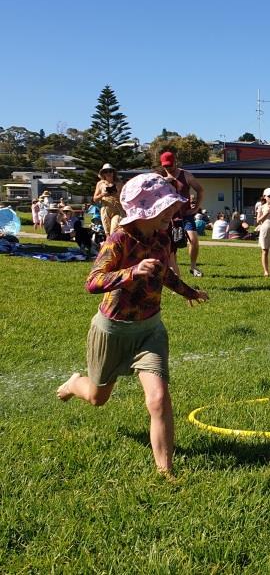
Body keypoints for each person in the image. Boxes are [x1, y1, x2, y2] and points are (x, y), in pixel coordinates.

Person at [57, 173, 209, 477]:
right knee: (98, 398)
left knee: (158, 397)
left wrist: (188, 292)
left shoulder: (162, 237)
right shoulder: (119, 241)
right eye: (165, 210)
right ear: (146, 210)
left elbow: (163, 273)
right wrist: (132, 271)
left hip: (150, 330)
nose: (171, 215)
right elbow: (93, 282)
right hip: (111, 331)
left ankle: (165, 472)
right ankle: (75, 383)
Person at [158, 151, 205, 277]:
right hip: (169, 216)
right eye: (165, 166)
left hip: (185, 214)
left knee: (193, 240)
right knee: (172, 246)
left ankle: (193, 266)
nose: (168, 168)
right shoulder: (160, 177)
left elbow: (200, 190)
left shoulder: (186, 175)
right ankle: (175, 273)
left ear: (175, 162)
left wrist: (196, 209)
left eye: (170, 165)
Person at [93, 163, 125, 238]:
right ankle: (109, 249)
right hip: (105, 210)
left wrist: (117, 194)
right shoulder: (100, 184)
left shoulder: (119, 183)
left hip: (118, 209)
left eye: (110, 171)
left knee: (113, 231)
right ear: (103, 173)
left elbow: (125, 198)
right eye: (106, 171)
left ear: (113, 172)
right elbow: (95, 199)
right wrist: (102, 195)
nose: (108, 173)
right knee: (107, 234)